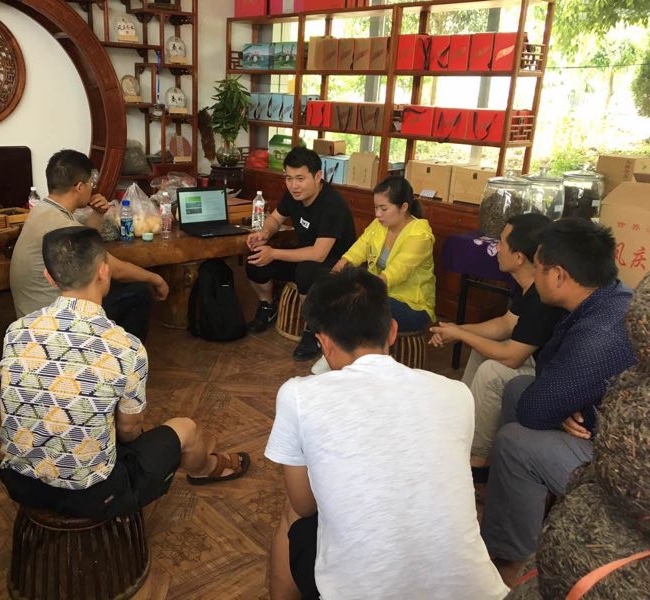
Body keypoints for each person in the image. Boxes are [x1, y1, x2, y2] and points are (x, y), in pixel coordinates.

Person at [265, 267, 509, 600]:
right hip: (479, 593)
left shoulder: (298, 395)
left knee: (292, 513)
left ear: (324, 343)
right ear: (393, 331)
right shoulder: (457, 394)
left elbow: (305, 505)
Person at [0, 227, 250, 519]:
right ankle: (207, 468)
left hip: (19, 484)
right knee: (186, 429)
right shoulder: (125, 347)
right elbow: (129, 431)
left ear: (49, 277)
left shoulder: (16, 331)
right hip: (94, 496)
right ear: (104, 272)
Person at [480, 218, 636, 587]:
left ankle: (514, 562)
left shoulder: (600, 332)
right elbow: (547, 374)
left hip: (621, 467)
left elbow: (535, 411)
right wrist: (562, 405)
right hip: (602, 426)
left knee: (515, 440)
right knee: (517, 387)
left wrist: (557, 406)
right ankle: (516, 505)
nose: (535, 277)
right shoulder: (609, 297)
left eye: (540, 268)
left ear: (560, 276)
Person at [429, 213, 566, 474]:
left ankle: (478, 457)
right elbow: (506, 324)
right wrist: (457, 329)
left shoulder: (541, 297)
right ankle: (461, 427)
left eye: (502, 242)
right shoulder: (528, 283)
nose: (496, 247)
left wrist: (462, 335)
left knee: (492, 370)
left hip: (550, 376)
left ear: (519, 257)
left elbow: (512, 356)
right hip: (531, 357)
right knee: (481, 350)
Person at [9, 149, 169, 341]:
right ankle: (123, 350)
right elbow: (114, 269)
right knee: (138, 292)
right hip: (54, 323)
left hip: (34, 312)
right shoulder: (61, 224)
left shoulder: (42, 209)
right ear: (79, 187)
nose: (92, 189)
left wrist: (98, 214)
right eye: (90, 184)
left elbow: (83, 244)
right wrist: (156, 279)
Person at [245, 147, 356, 361]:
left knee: (306, 271)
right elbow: (275, 219)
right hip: (305, 256)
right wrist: (264, 233)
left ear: (318, 176)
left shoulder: (332, 204)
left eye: (300, 179)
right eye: (289, 178)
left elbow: (319, 254)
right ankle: (267, 306)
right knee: (255, 261)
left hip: (336, 265)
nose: (294, 185)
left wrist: (274, 253)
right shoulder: (293, 195)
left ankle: (314, 328)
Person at [332, 176, 435, 332]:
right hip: (379, 294)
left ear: (404, 207)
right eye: (376, 208)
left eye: (384, 209)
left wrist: (362, 290)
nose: (378, 214)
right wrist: (339, 267)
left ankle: (350, 346)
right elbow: (358, 249)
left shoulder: (420, 235)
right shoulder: (379, 225)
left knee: (357, 307)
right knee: (339, 298)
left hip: (411, 305)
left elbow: (397, 271)